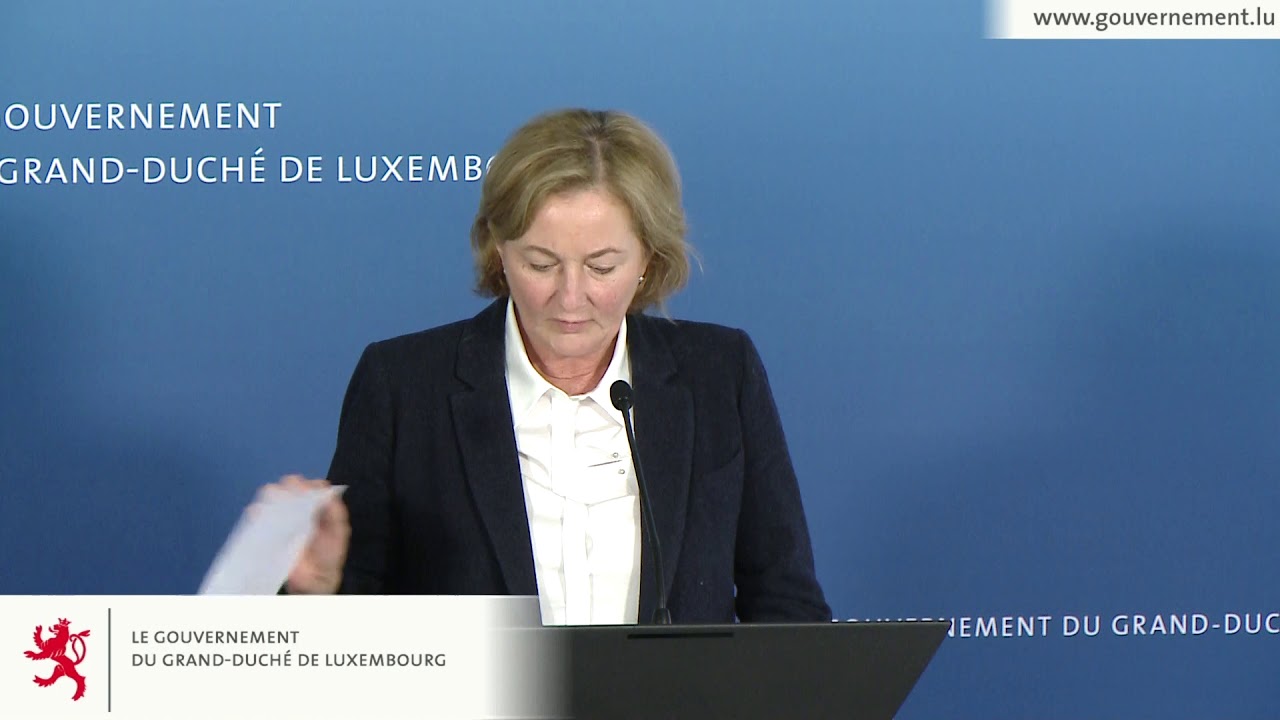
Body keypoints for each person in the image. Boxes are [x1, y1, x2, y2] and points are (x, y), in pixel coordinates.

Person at [270, 108, 830, 624]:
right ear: (499, 250)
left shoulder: (720, 375)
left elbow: (787, 608)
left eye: (602, 267)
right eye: (541, 263)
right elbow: (352, 632)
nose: (570, 297)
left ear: (648, 258)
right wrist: (316, 592)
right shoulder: (403, 386)